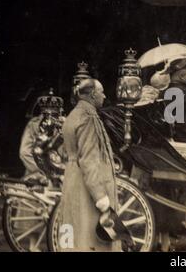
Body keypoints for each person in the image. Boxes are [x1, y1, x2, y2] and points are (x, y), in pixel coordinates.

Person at [60, 78, 119, 251]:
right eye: (101, 92)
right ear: (93, 94)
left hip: (72, 180)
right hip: (88, 191)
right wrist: (101, 199)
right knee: (91, 242)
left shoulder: (73, 116)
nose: (105, 96)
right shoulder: (88, 118)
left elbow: (66, 152)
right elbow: (89, 161)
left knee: (74, 240)